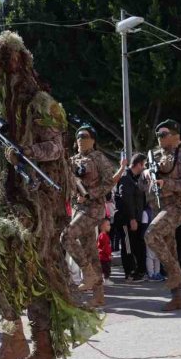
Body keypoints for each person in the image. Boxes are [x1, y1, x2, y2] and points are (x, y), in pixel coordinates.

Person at [0, 31, 103, 359]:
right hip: (1, 198)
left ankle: (38, 347)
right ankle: (19, 340)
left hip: (38, 203)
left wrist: (25, 151)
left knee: (31, 272)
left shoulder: (40, 103)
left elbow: (56, 149)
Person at [62, 125, 117, 307]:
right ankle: (99, 295)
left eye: (84, 136)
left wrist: (90, 194)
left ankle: (87, 273)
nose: (80, 139)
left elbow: (109, 182)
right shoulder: (72, 160)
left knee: (67, 236)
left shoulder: (98, 158)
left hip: (93, 209)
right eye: (78, 136)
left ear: (93, 140)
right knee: (91, 252)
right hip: (78, 209)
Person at [143, 119, 181, 311]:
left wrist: (167, 184)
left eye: (164, 134)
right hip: (159, 207)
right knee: (170, 249)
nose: (160, 138)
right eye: (158, 135)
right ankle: (177, 297)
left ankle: (174, 272)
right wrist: (145, 175)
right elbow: (142, 185)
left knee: (151, 234)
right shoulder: (154, 156)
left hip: (177, 207)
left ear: (175, 137)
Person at [113, 153, 147, 283]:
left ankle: (138, 271)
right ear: (138, 164)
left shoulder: (135, 178)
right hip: (126, 219)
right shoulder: (126, 178)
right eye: (143, 165)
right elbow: (126, 199)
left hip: (134, 219)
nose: (144, 167)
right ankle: (130, 272)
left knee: (136, 245)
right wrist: (132, 218)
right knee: (127, 246)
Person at [97, 218, 113, 286]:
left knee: (103, 269)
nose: (110, 226)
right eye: (108, 225)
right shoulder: (104, 236)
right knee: (106, 269)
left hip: (102, 256)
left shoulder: (101, 235)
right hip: (104, 257)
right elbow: (106, 247)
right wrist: (109, 254)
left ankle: (103, 280)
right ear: (103, 227)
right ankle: (106, 280)